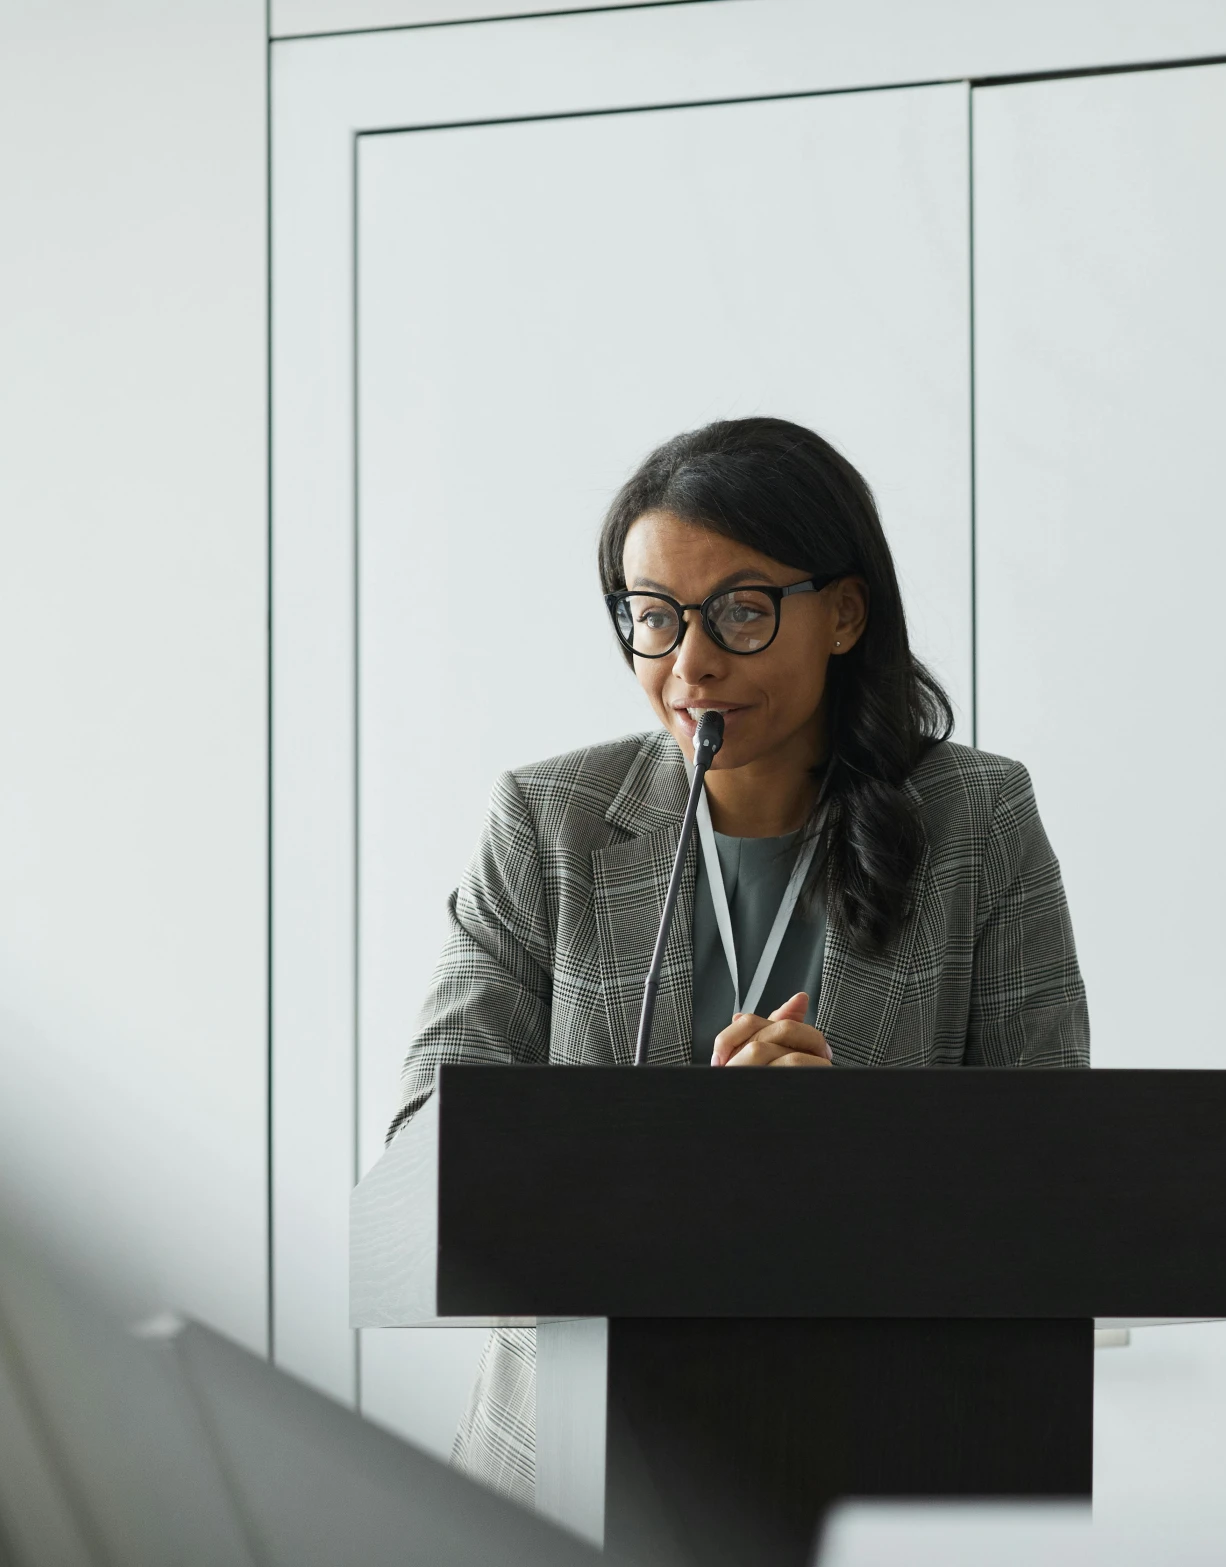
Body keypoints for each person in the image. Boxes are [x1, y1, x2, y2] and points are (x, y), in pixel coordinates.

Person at [390, 416, 1090, 1497]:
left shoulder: (978, 819)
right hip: (576, 1463)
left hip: (886, 1450)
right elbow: (428, 1153)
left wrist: (841, 1152)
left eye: (742, 612)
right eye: (653, 619)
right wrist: (681, 1153)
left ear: (845, 612)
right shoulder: (550, 821)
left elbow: (1058, 1169)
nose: (691, 664)